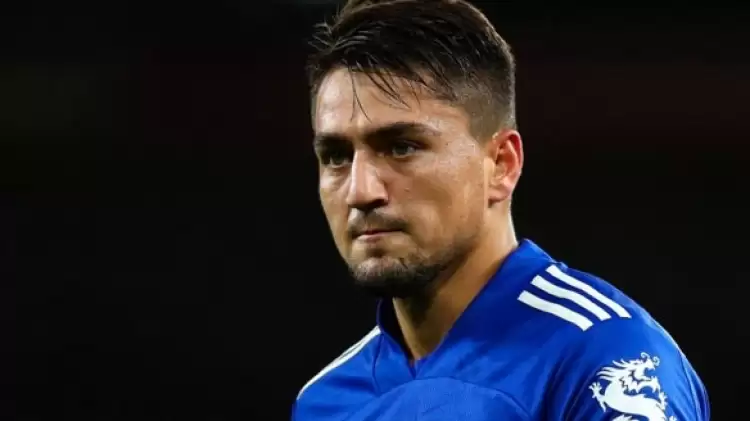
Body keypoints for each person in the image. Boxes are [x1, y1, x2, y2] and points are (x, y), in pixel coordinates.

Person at [292, 0, 710, 420]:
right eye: (336, 156)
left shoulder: (604, 360)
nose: (361, 191)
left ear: (501, 165)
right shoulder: (325, 402)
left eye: (402, 147)